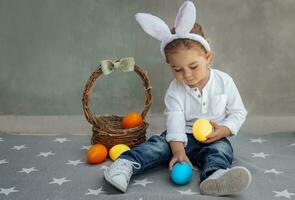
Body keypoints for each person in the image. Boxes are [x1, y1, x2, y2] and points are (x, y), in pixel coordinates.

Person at [104, 1, 251, 196]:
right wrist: (178, 151)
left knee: (221, 151)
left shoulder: (224, 81)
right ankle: (125, 164)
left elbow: (238, 112)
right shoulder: (175, 90)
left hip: (212, 138)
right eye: (177, 69)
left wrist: (224, 129)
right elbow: (175, 122)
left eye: (193, 66)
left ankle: (214, 176)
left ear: (208, 58)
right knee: (157, 146)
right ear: (170, 65)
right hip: (180, 136)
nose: (187, 75)